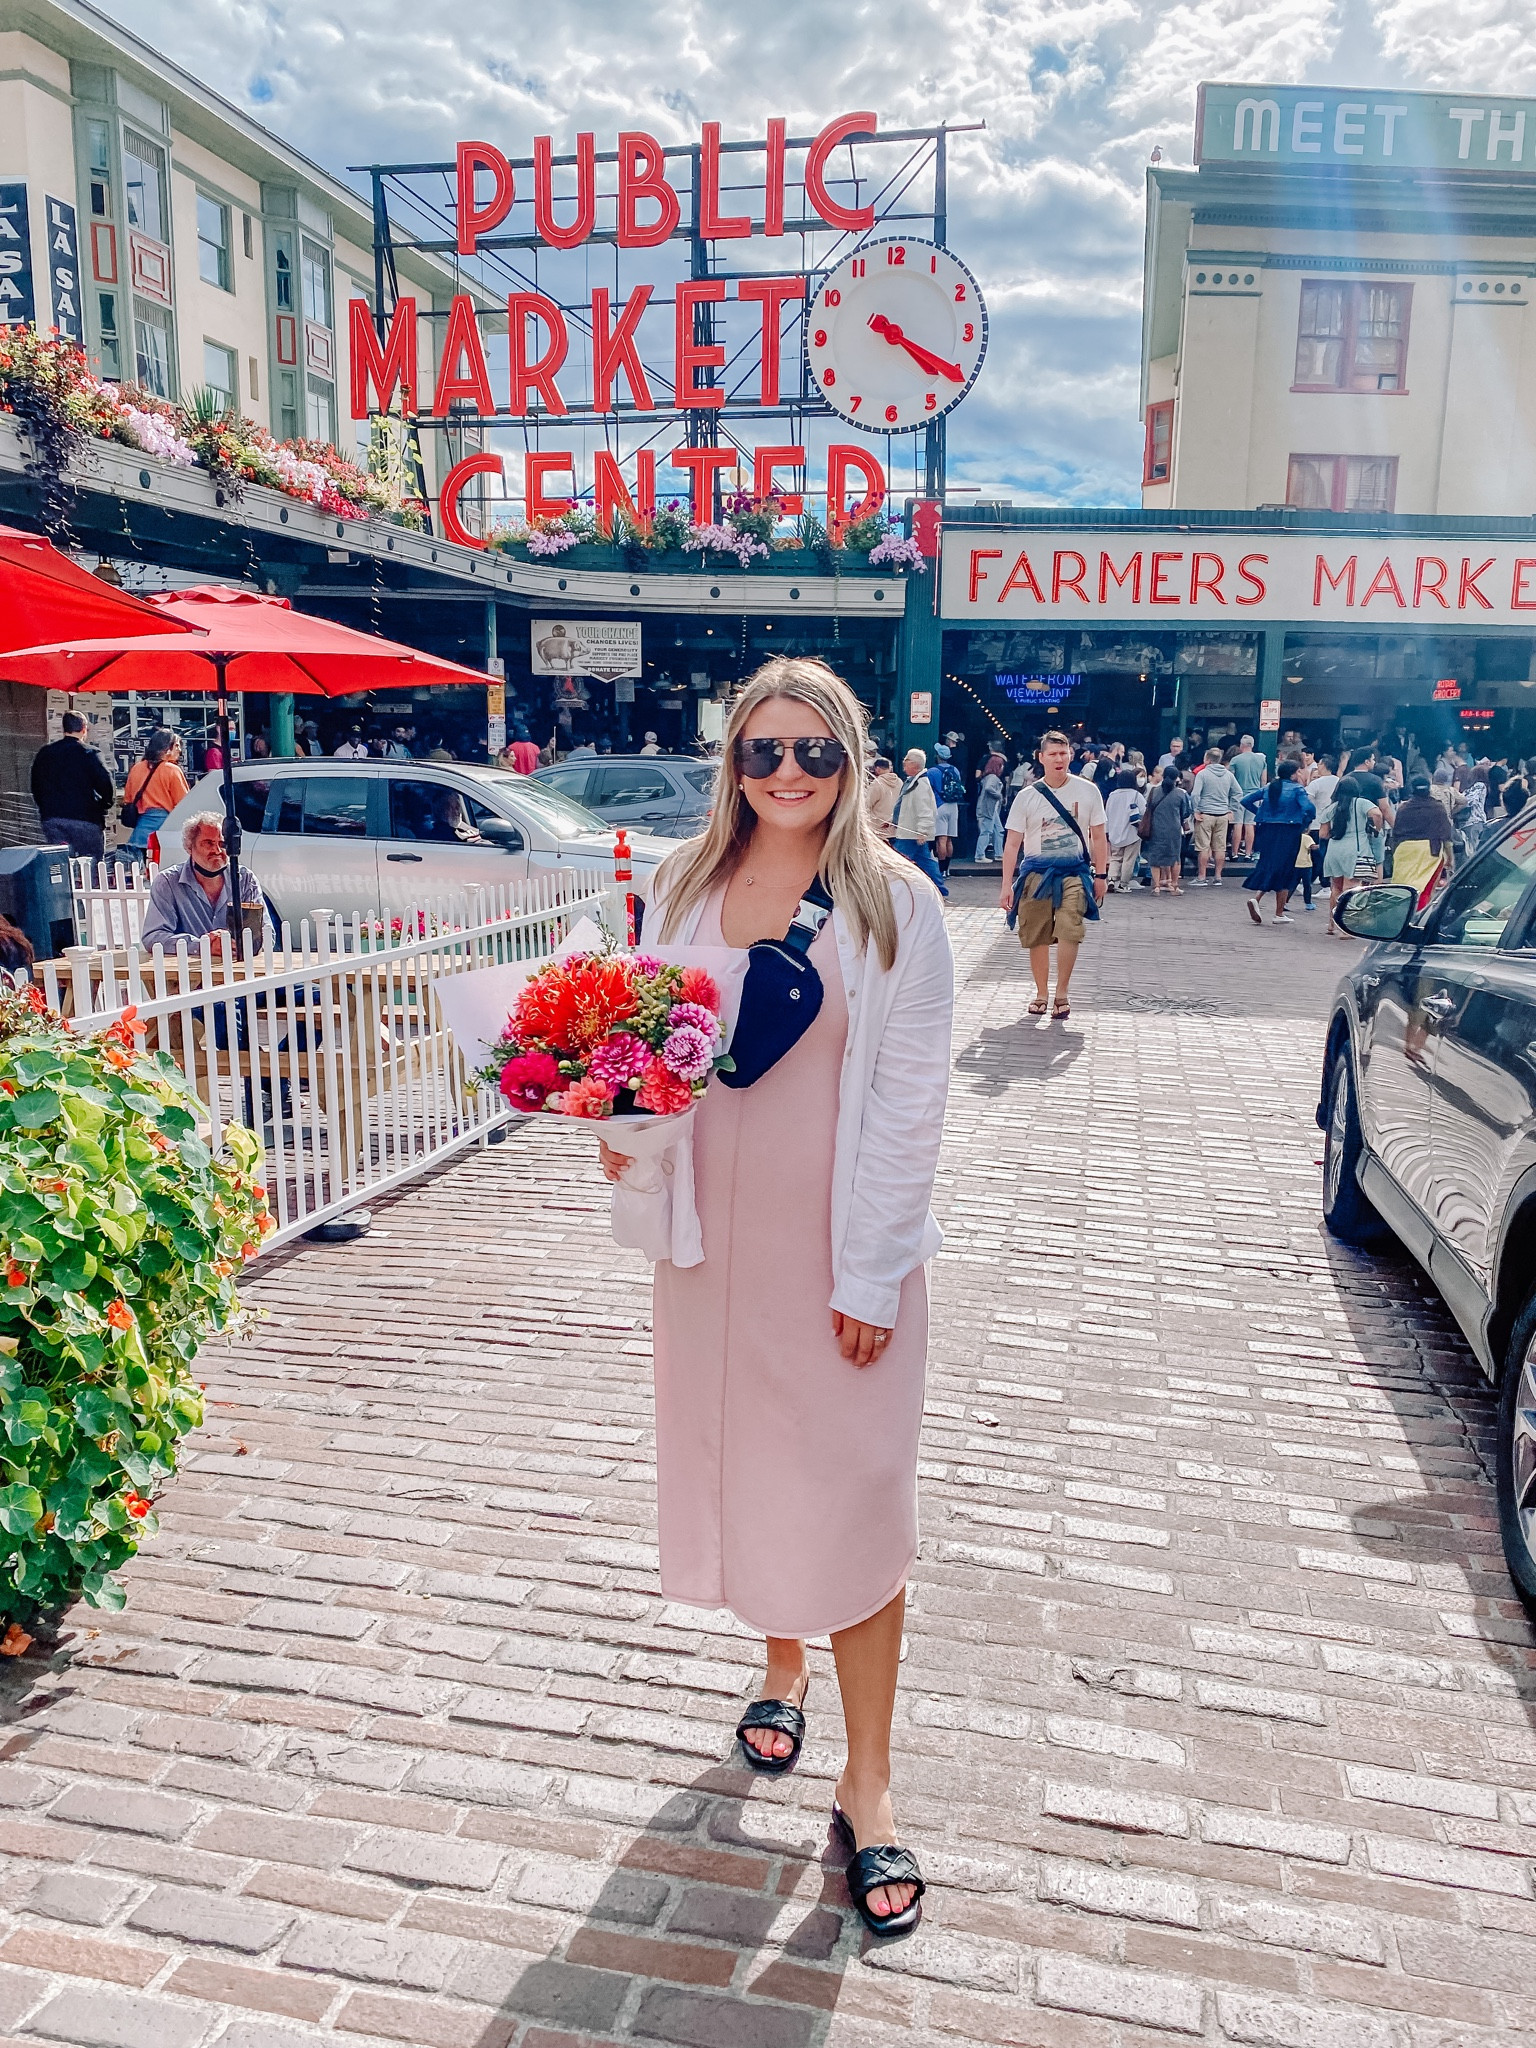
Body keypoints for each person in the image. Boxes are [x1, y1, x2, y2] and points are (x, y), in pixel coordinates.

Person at [599, 656, 950, 1937]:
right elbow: (646, 1048)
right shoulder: (685, 885)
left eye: (816, 751)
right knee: (744, 1462)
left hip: (837, 1249)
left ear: (854, 762)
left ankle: (871, 1780)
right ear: (732, 764)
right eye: (765, 751)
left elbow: (912, 1103)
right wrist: (618, 1121)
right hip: (709, 1247)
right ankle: (778, 1661)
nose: (790, 773)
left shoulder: (896, 901)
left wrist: (871, 1271)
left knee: (854, 1494)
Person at [999, 730, 1108, 1020]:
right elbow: (1012, 843)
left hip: (1074, 871)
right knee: (1036, 934)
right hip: (1035, 872)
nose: (1059, 759)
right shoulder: (1026, 797)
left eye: (1064, 753)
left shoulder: (1088, 791)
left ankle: (1062, 992)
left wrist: (1102, 874)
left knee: (1069, 926)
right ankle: (1041, 993)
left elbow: (1099, 836)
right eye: (1053, 754)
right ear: (1041, 758)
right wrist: (1006, 884)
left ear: (1071, 756)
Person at [138, 813, 272, 955]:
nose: (217, 850)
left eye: (222, 844)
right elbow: (153, 938)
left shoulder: (245, 880)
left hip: (240, 971)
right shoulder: (168, 882)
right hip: (188, 973)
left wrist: (241, 944)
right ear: (189, 847)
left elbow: (267, 934)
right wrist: (202, 946)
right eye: (208, 843)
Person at [30, 711, 114, 861]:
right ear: (84, 729)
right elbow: (105, 784)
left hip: (53, 819)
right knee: (91, 864)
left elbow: (36, 786)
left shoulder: (45, 753)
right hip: (86, 819)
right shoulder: (90, 753)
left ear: (64, 729)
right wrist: (104, 804)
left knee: (61, 864)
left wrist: (46, 807)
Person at [1242, 758, 1316, 925]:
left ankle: (1258, 899)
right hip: (1288, 831)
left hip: (1267, 830)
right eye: (1298, 771)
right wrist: (1303, 822)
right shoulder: (1297, 789)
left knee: (1268, 864)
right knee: (1286, 868)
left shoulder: (1270, 787)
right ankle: (1278, 913)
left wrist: (1260, 813)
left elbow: (1246, 800)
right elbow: (1308, 809)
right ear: (1293, 774)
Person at [1322, 766, 1389, 936]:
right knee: (1351, 888)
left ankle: (1331, 923)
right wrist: (1375, 829)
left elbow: (1323, 834)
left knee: (1335, 887)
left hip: (1334, 849)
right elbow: (1378, 814)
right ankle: (1346, 928)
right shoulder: (1361, 803)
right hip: (1355, 848)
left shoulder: (1332, 807)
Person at [121, 729, 189, 862]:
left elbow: (128, 799)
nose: (179, 750)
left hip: (139, 834)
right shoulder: (172, 770)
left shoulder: (136, 768)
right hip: (165, 832)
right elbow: (183, 805)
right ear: (166, 748)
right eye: (176, 745)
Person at [1389, 775, 1451, 907]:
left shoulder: (1403, 808)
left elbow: (1395, 835)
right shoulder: (1437, 807)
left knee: (1402, 890)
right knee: (1425, 890)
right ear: (1429, 789)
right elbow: (1446, 837)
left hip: (1404, 851)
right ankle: (1419, 920)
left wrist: (1395, 856)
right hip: (1429, 851)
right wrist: (1450, 858)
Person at [891, 749, 944, 892]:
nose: (904, 763)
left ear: (915, 765)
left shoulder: (920, 784)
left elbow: (925, 810)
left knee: (898, 860)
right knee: (925, 860)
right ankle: (940, 887)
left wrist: (922, 831)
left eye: (906, 760)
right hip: (910, 830)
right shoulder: (914, 782)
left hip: (911, 832)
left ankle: (892, 887)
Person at [1189, 747, 1241, 886]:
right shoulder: (1228, 774)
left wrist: (1195, 810)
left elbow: (1195, 794)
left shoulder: (1203, 774)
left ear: (1207, 759)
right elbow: (1238, 792)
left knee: (1203, 847)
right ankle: (1218, 877)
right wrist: (1231, 809)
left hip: (1205, 814)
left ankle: (1202, 877)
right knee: (1220, 847)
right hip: (1223, 814)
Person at [1142, 765, 1190, 895]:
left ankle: (1156, 886)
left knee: (1155, 857)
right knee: (1175, 857)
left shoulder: (1154, 791)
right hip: (1174, 828)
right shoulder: (1181, 793)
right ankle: (1174, 886)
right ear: (1177, 779)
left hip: (1156, 827)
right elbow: (1185, 812)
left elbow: (1149, 807)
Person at [1103, 767, 1146, 891]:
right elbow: (1144, 810)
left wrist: (1107, 831)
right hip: (1132, 832)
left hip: (1114, 832)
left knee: (1115, 857)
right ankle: (1123, 884)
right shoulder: (1136, 795)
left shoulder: (1112, 795)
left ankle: (1111, 879)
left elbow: (1107, 812)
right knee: (1129, 859)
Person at [927, 744, 963, 880]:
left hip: (939, 805)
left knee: (941, 839)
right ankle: (947, 869)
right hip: (953, 806)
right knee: (949, 840)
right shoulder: (955, 770)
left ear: (938, 756)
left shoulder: (932, 772)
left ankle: (941, 870)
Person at [1228, 735, 1267, 858]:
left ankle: (1234, 853)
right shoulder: (1261, 760)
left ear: (1241, 745)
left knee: (1238, 824)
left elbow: (1230, 779)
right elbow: (1264, 780)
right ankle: (1248, 853)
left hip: (1238, 795)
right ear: (1252, 745)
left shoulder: (1235, 760)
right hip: (1255, 795)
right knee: (1250, 824)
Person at [972, 752, 1006, 862]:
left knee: (998, 830)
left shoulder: (988, 776)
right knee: (986, 831)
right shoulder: (993, 777)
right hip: (988, 808)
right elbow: (988, 788)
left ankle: (999, 854)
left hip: (991, 808)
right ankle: (979, 855)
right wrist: (999, 795)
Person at [865, 755, 902, 841]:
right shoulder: (900, 782)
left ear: (877, 769)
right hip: (895, 828)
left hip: (879, 828)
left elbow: (867, 804)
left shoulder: (877, 783)